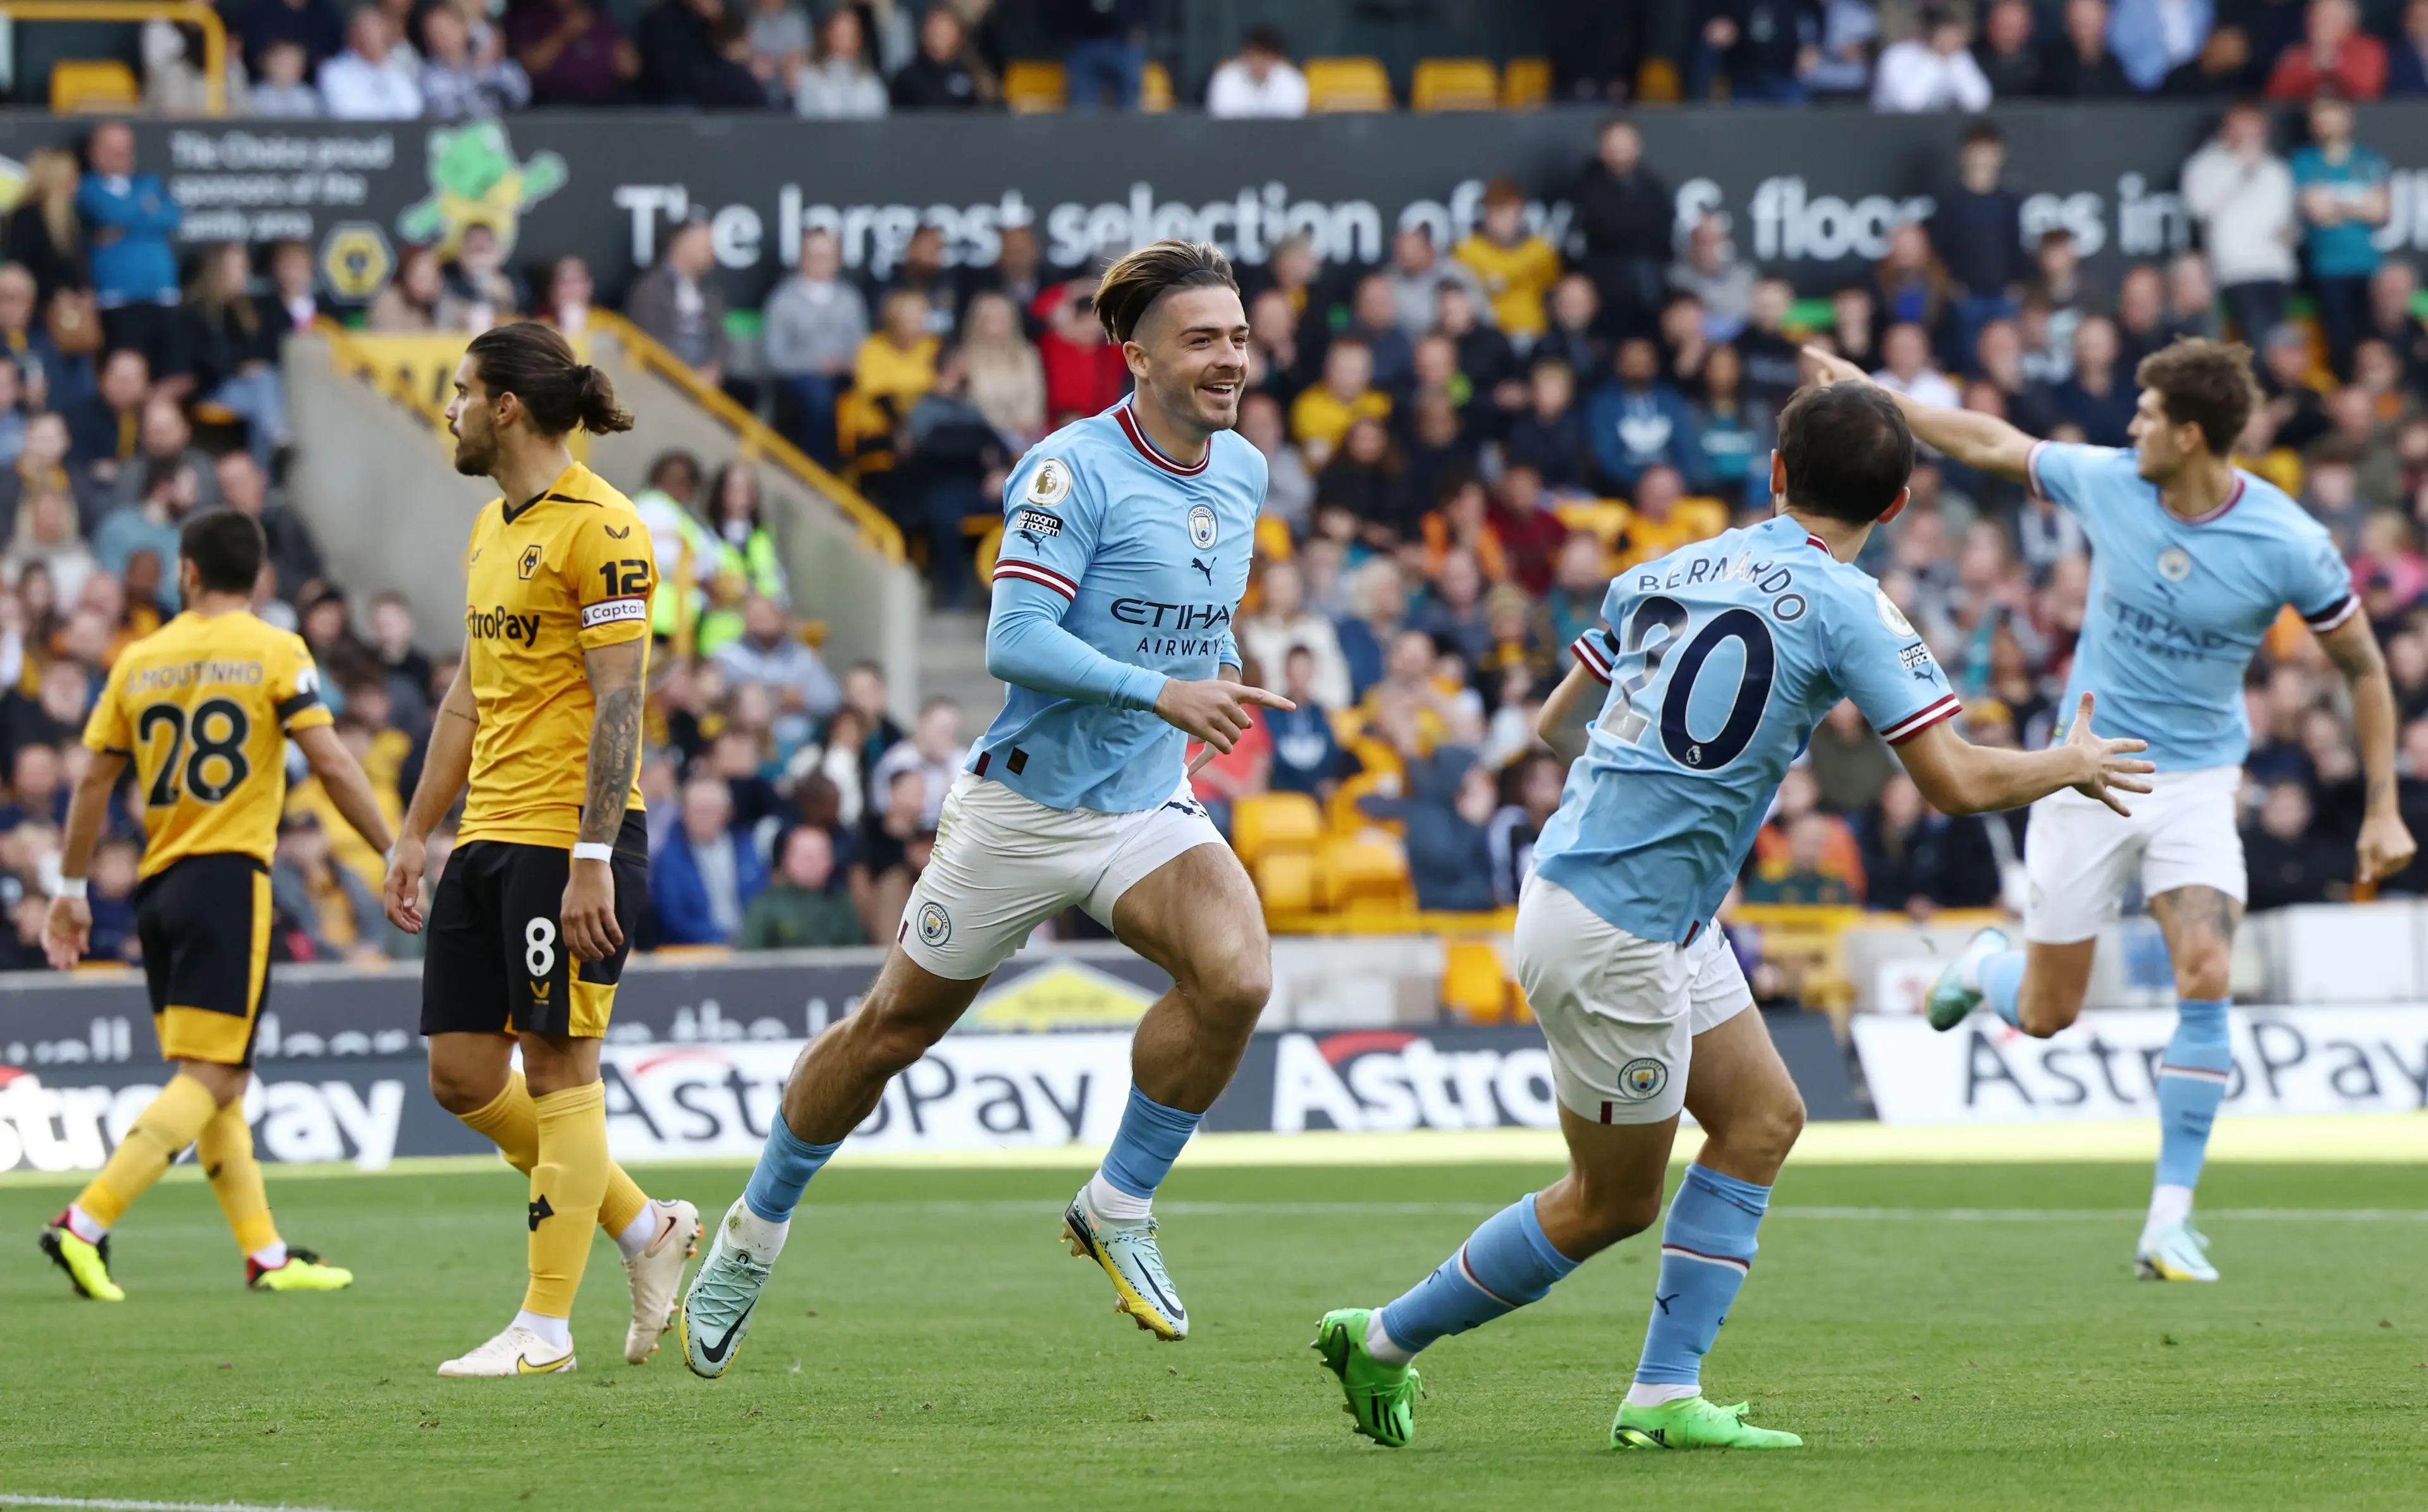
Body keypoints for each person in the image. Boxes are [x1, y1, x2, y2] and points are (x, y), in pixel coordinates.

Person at [1311, 380, 2153, 1452]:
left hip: (1633, 903)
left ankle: (1665, 1394)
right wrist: (2071, 762)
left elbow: (1555, 723)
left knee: (1763, 1121)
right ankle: (1381, 1337)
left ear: (1775, 473)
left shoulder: (1668, 567)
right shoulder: (1853, 605)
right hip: (1615, 929)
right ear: (1895, 508)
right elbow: (1953, 780)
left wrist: (1641, 792)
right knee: (1610, 1202)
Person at [683, 241, 1288, 1375]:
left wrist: (1218, 671)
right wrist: (1160, 687)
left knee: (1240, 976)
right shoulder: (1070, 470)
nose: (1231, 359)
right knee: (888, 1037)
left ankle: (1118, 1201)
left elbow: (1186, 617)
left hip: (1147, 802)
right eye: (1204, 338)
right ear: (1138, 356)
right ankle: (754, 1233)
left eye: (1241, 336)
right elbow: (1014, 641)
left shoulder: (1243, 472)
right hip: (1023, 812)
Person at [1838, 335, 2420, 1283]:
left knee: (2206, 967)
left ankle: (2169, 1221)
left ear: (2190, 436)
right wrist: (1875, 394)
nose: (2131, 424)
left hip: (2195, 784)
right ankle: (1991, 967)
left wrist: (2383, 807)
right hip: (2084, 771)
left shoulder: (2287, 543)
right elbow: (1987, 440)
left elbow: (2361, 667)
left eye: (2147, 414)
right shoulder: (2111, 482)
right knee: (2046, 1011)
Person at [378, 323, 701, 1377]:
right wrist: (416, 832)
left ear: (507, 406)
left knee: (562, 1066)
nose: (452, 409)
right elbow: (467, 700)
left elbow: (622, 700)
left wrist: (593, 853)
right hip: (484, 835)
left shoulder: (603, 530)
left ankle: (544, 1329)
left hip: (569, 839)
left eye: (462, 391)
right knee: (462, 1074)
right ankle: (646, 1226)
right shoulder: (489, 529)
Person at [37, 511, 393, 1302]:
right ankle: (83, 1222)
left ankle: (264, 1254)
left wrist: (68, 891)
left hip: (161, 887)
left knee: (220, 1077)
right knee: (213, 1071)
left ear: (187, 573)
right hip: (230, 879)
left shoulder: (140, 659)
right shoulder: (275, 649)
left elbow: (94, 780)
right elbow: (329, 760)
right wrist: (392, 847)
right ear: (259, 578)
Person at [2290, 92, 2389, 379]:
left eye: (2332, 113)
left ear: (2348, 117)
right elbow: (2315, 211)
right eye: (2320, 116)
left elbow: (2381, 211)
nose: (2327, 122)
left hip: (2368, 265)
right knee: (2340, 344)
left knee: (2373, 343)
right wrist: (2358, 204)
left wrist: (2336, 204)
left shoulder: (2368, 160)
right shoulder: (2304, 162)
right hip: (2328, 267)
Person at [2181, 101, 2298, 344]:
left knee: (2279, 343)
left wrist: (2290, 235)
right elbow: (2199, 209)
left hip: (2276, 268)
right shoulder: (2204, 166)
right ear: (2226, 129)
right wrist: (2240, 171)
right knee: (2255, 341)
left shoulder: (2276, 169)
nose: (2248, 135)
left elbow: (2287, 219)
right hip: (2236, 270)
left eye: (2254, 128)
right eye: (2241, 127)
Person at [78, 124, 184, 382]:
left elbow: (173, 217)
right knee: (125, 377)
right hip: (118, 300)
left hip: (162, 295)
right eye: (114, 150)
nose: (123, 156)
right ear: (94, 154)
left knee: (168, 375)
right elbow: (110, 213)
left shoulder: (148, 182)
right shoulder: (88, 188)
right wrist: (146, 205)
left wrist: (123, 225)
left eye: (127, 150)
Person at [651, 775, 766, 945]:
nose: (705, 817)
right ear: (684, 813)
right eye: (698, 810)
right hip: (693, 949)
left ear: (727, 812)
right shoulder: (668, 858)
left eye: (712, 810)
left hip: (748, 945)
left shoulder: (747, 848)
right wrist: (720, 939)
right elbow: (672, 917)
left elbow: (761, 899)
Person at [626, 219, 729, 384]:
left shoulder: (711, 293)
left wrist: (713, 369)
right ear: (680, 244)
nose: (712, 253)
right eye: (705, 247)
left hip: (707, 379)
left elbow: (721, 339)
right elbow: (649, 342)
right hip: (664, 379)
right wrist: (685, 375)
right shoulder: (650, 289)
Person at [739, 823, 864, 948]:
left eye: (818, 855)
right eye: (803, 855)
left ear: (831, 861)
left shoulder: (842, 904)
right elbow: (749, 957)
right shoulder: (766, 905)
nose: (810, 862)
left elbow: (858, 954)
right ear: (786, 860)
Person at [1872, 3, 1995, 110]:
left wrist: (1957, 58)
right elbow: (1908, 104)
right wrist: (1934, 56)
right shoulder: (1896, 56)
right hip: (1891, 128)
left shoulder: (1958, 56)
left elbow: (1979, 102)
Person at [317, 6, 425, 118]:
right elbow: (346, 113)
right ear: (353, 33)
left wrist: (384, 64)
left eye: (377, 30)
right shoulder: (333, 70)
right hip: (356, 135)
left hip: (399, 134)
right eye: (366, 30)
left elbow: (413, 109)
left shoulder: (396, 65)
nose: (372, 37)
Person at [793, 5, 887, 116]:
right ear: (828, 35)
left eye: (849, 35)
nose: (843, 42)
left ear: (859, 39)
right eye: (839, 34)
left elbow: (878, 121)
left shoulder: (870, 83)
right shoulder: (810, 78)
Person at [1205, 26, 1306, 116]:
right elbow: (1221, 119)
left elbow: (1292, 121)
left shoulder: (1291, 79)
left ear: (1277, 59)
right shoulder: (1226, 77)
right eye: (1253, 56)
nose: (1258, 63)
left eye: (1264, 57)